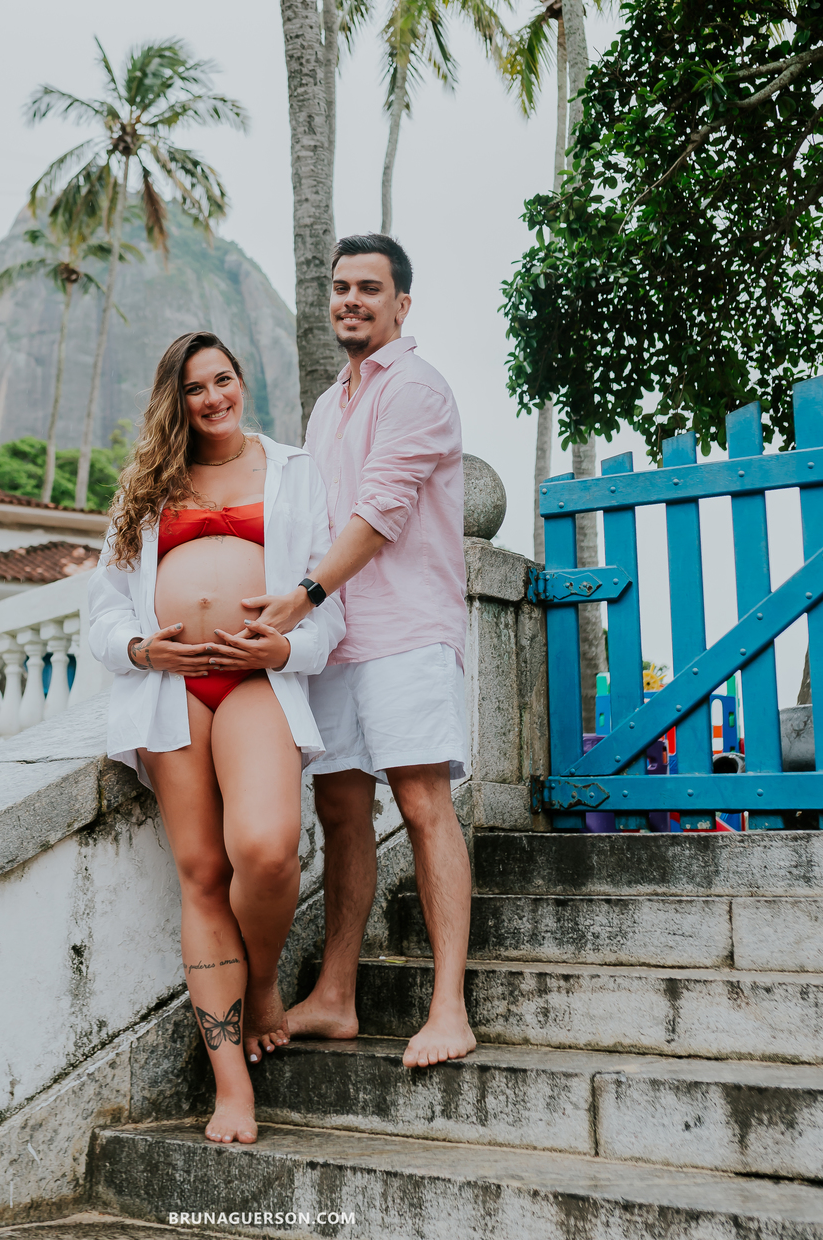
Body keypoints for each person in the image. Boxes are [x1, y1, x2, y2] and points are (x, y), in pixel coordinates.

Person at [87, 331, 343, 1145]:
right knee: (201, 873)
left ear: (242, 382)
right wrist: (139, 649)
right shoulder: (146, 490)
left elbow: (328, 605)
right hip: (170, 689)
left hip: (256, 677)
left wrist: (286, 648)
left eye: (222, 380)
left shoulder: (295, 471)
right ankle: (231, 1086)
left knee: (267, 850)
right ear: (177, 400)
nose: (212, 398)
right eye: (193, 388)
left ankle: (263, 982)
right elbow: (101, 610)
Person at [244, 234, 474, 1070]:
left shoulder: (416, 388)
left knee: (420, 804)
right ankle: (335, 996)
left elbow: (378, 514)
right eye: (340, 287)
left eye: (368, 289)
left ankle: (448, 1008)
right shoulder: (328, 401)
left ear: (400, 304)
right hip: (335, 639)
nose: (350, 300)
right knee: (340, 810)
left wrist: (301, 595)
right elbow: (310, 520)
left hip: (406, 632)